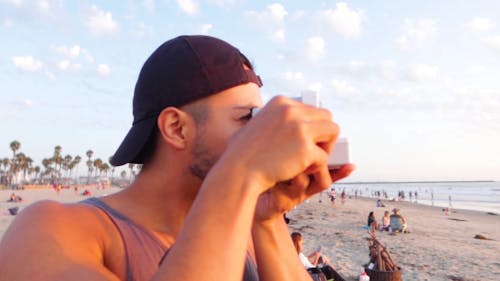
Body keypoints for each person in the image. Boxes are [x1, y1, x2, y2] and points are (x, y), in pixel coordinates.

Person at [0, 35, 355, 281]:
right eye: (247, 119)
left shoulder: (243, 231)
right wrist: (241, 173)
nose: (261, 137)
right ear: (176, 128)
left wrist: (267, 219)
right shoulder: (54, 230)